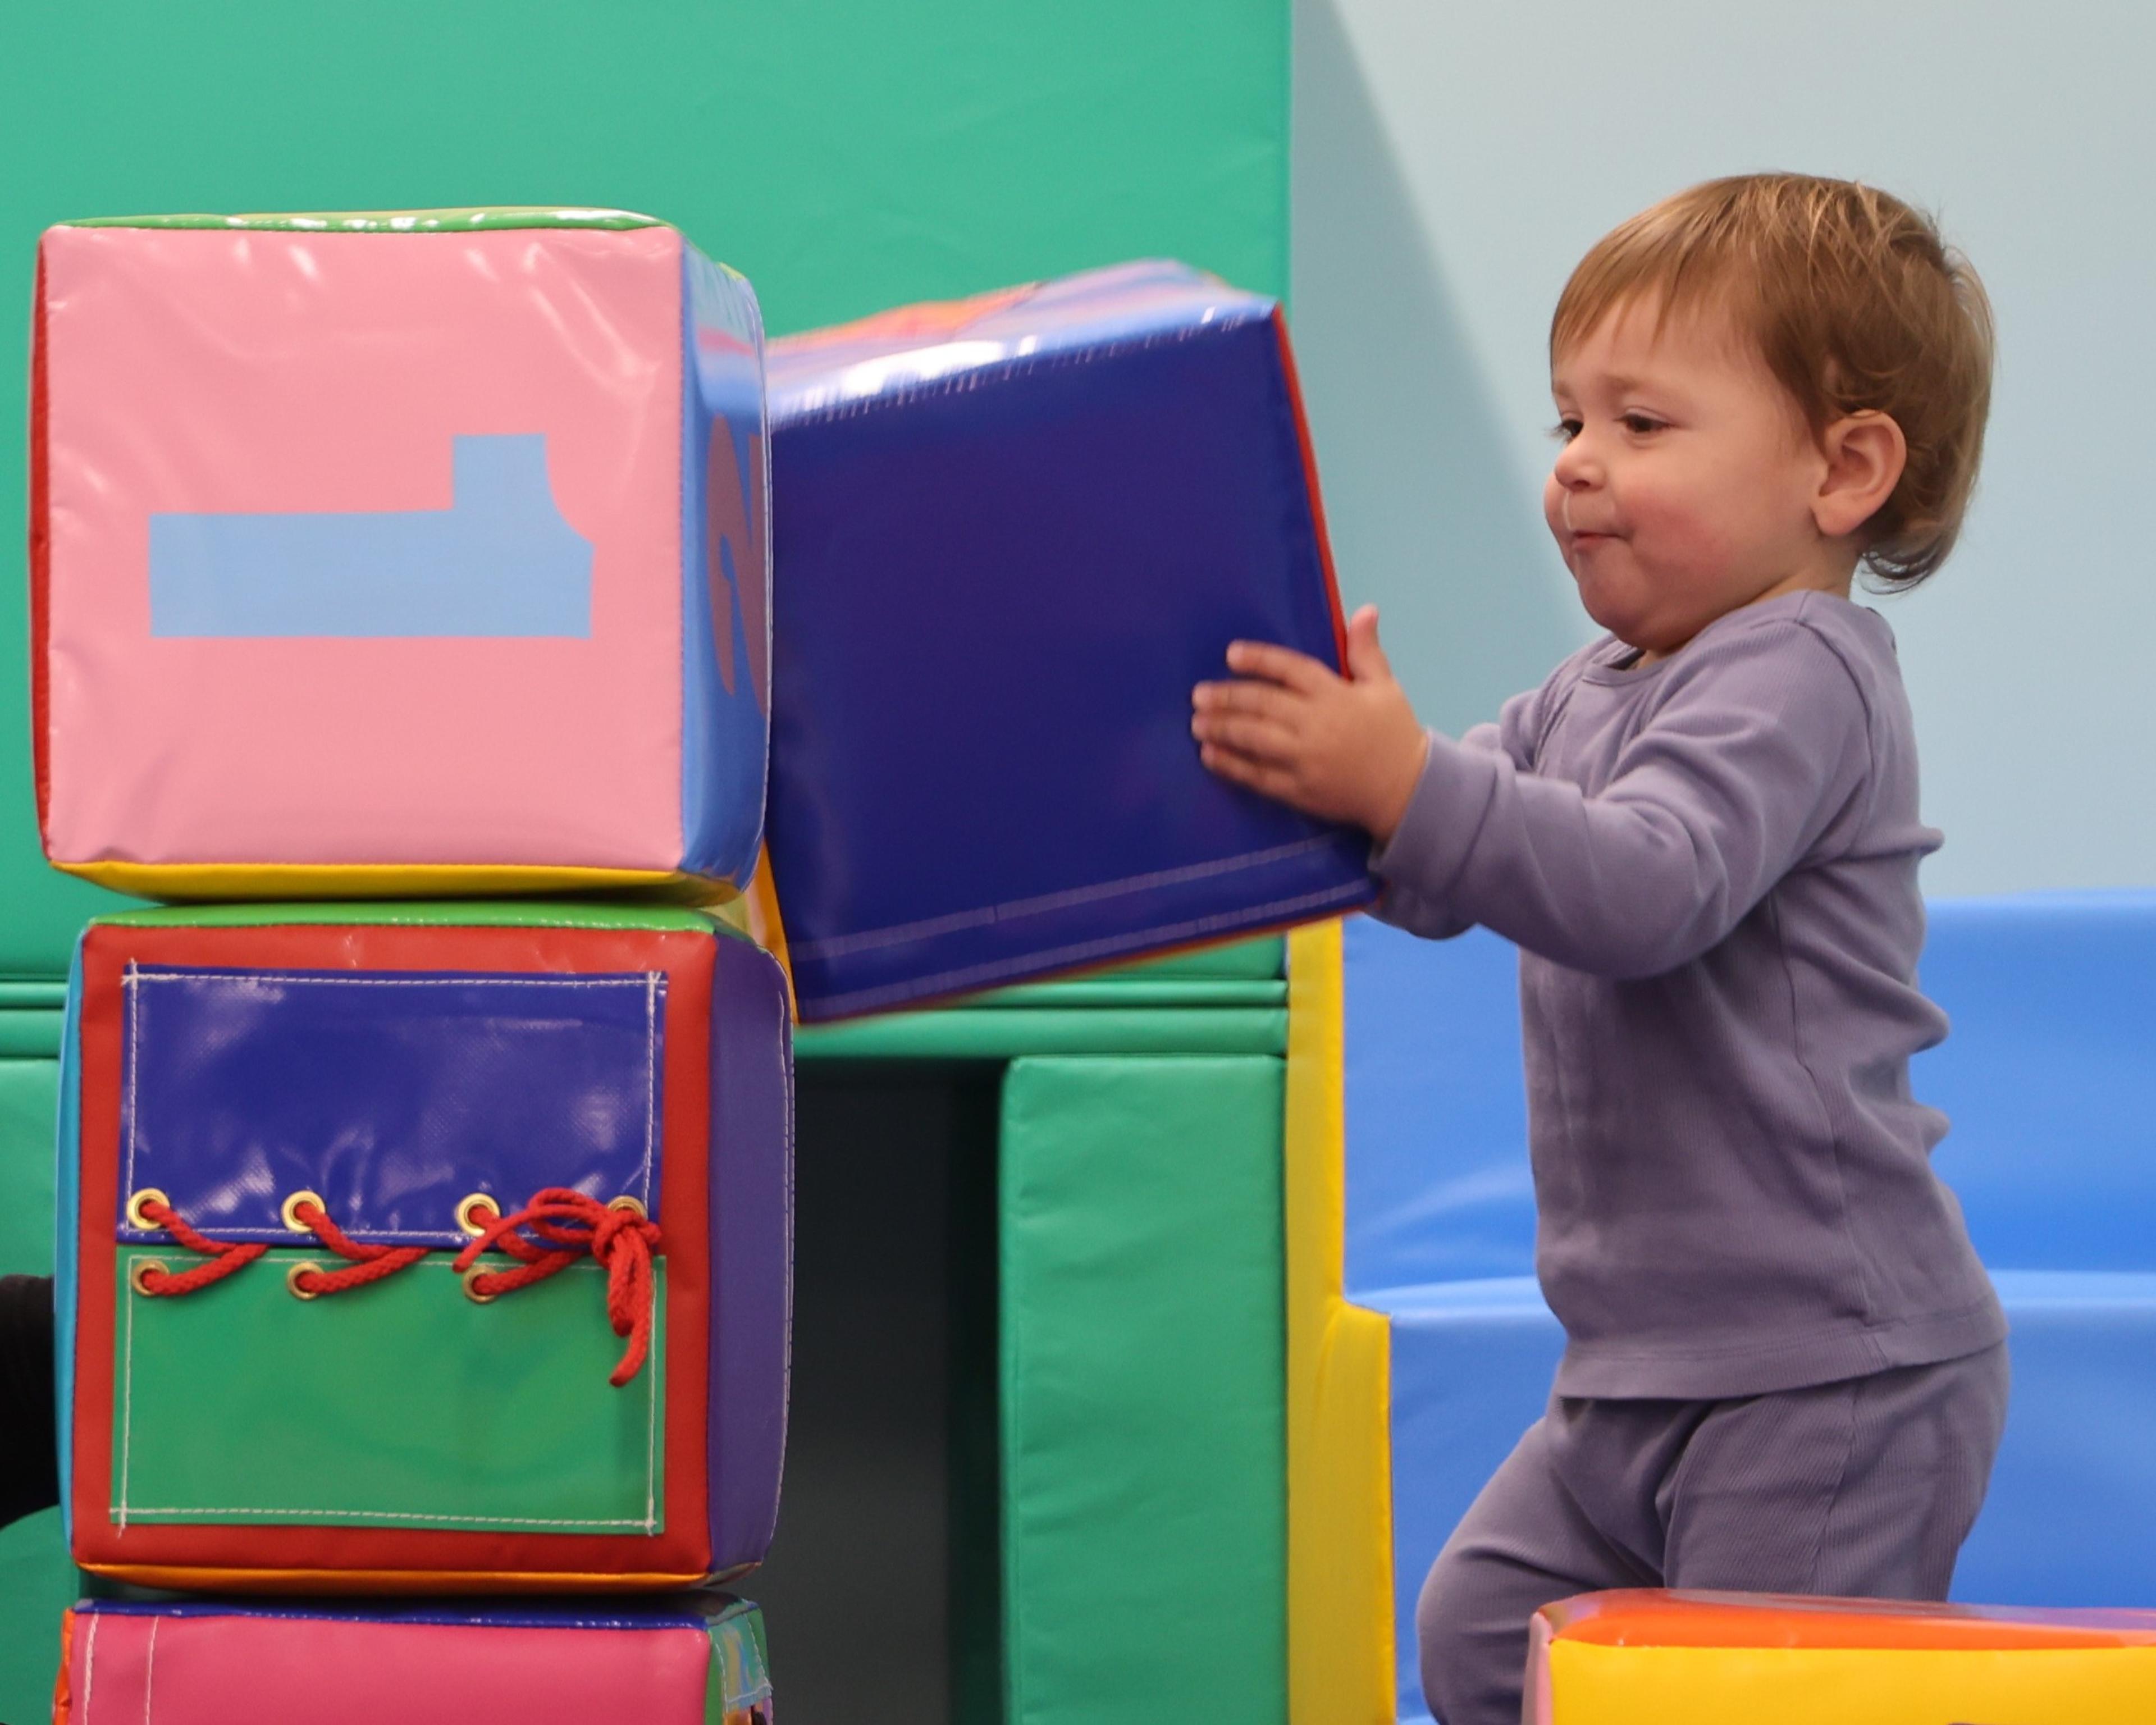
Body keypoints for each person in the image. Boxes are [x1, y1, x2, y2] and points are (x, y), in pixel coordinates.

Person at [1191, 172, 2007, 1725]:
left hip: (1824, 1369)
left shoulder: (1805, 673)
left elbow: (1641, 888)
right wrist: (1329, 786)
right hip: (1636, 1364)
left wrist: (1410, 784)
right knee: (1488, 1636)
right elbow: (1447, 871)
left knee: (1739, 1699)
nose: (1575, 467)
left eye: (1643, 426)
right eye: (1569, 419)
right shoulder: (1598, 687)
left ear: (1844, 471)